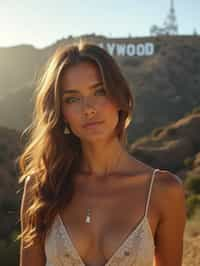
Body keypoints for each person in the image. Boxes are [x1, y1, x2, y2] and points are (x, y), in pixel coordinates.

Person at [18, 41, 187, 266]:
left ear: (119, 98)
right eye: (72, 99)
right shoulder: (42, 188)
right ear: (61, 113)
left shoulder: (163, 191)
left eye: (99, 91)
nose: (88, 108)